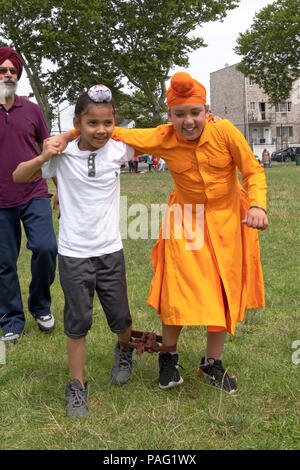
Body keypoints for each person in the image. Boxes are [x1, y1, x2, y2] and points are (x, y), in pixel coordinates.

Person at [51, 72, 268, 395]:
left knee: (223, 289)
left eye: (195, 112)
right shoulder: (164, 136)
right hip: (184, 217)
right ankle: (168, 356)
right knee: (176, 288)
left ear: (206, 111)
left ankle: (212, 361)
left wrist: (257, 206)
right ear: (170, 116)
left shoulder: (225, 132)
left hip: (228, 220)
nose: (188, 121)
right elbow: (114, 131)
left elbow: (252, 170)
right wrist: (67, 136)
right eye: (180, 114)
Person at [13, 84, 136, 417]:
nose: (101, 130)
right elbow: (18, 175)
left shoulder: (119, 150)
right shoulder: (61, 155)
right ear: (78, 121)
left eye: (107, 123)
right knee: (77, 320)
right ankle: (77, 385)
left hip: (110, 249)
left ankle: (125, 350)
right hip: (74, 253)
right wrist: (47, 153)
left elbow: (160, 140)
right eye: (92, 123)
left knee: (120, 316)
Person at [0, 46, 57, 343]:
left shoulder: (32, 110)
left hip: (34, 192)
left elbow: (49, 151)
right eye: (3, 70)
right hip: (0, 200)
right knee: (4, 262)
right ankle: (11, 318)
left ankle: (40, 306)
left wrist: (60, 187)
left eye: (13, 70)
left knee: (46, 248)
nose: (8, 74)